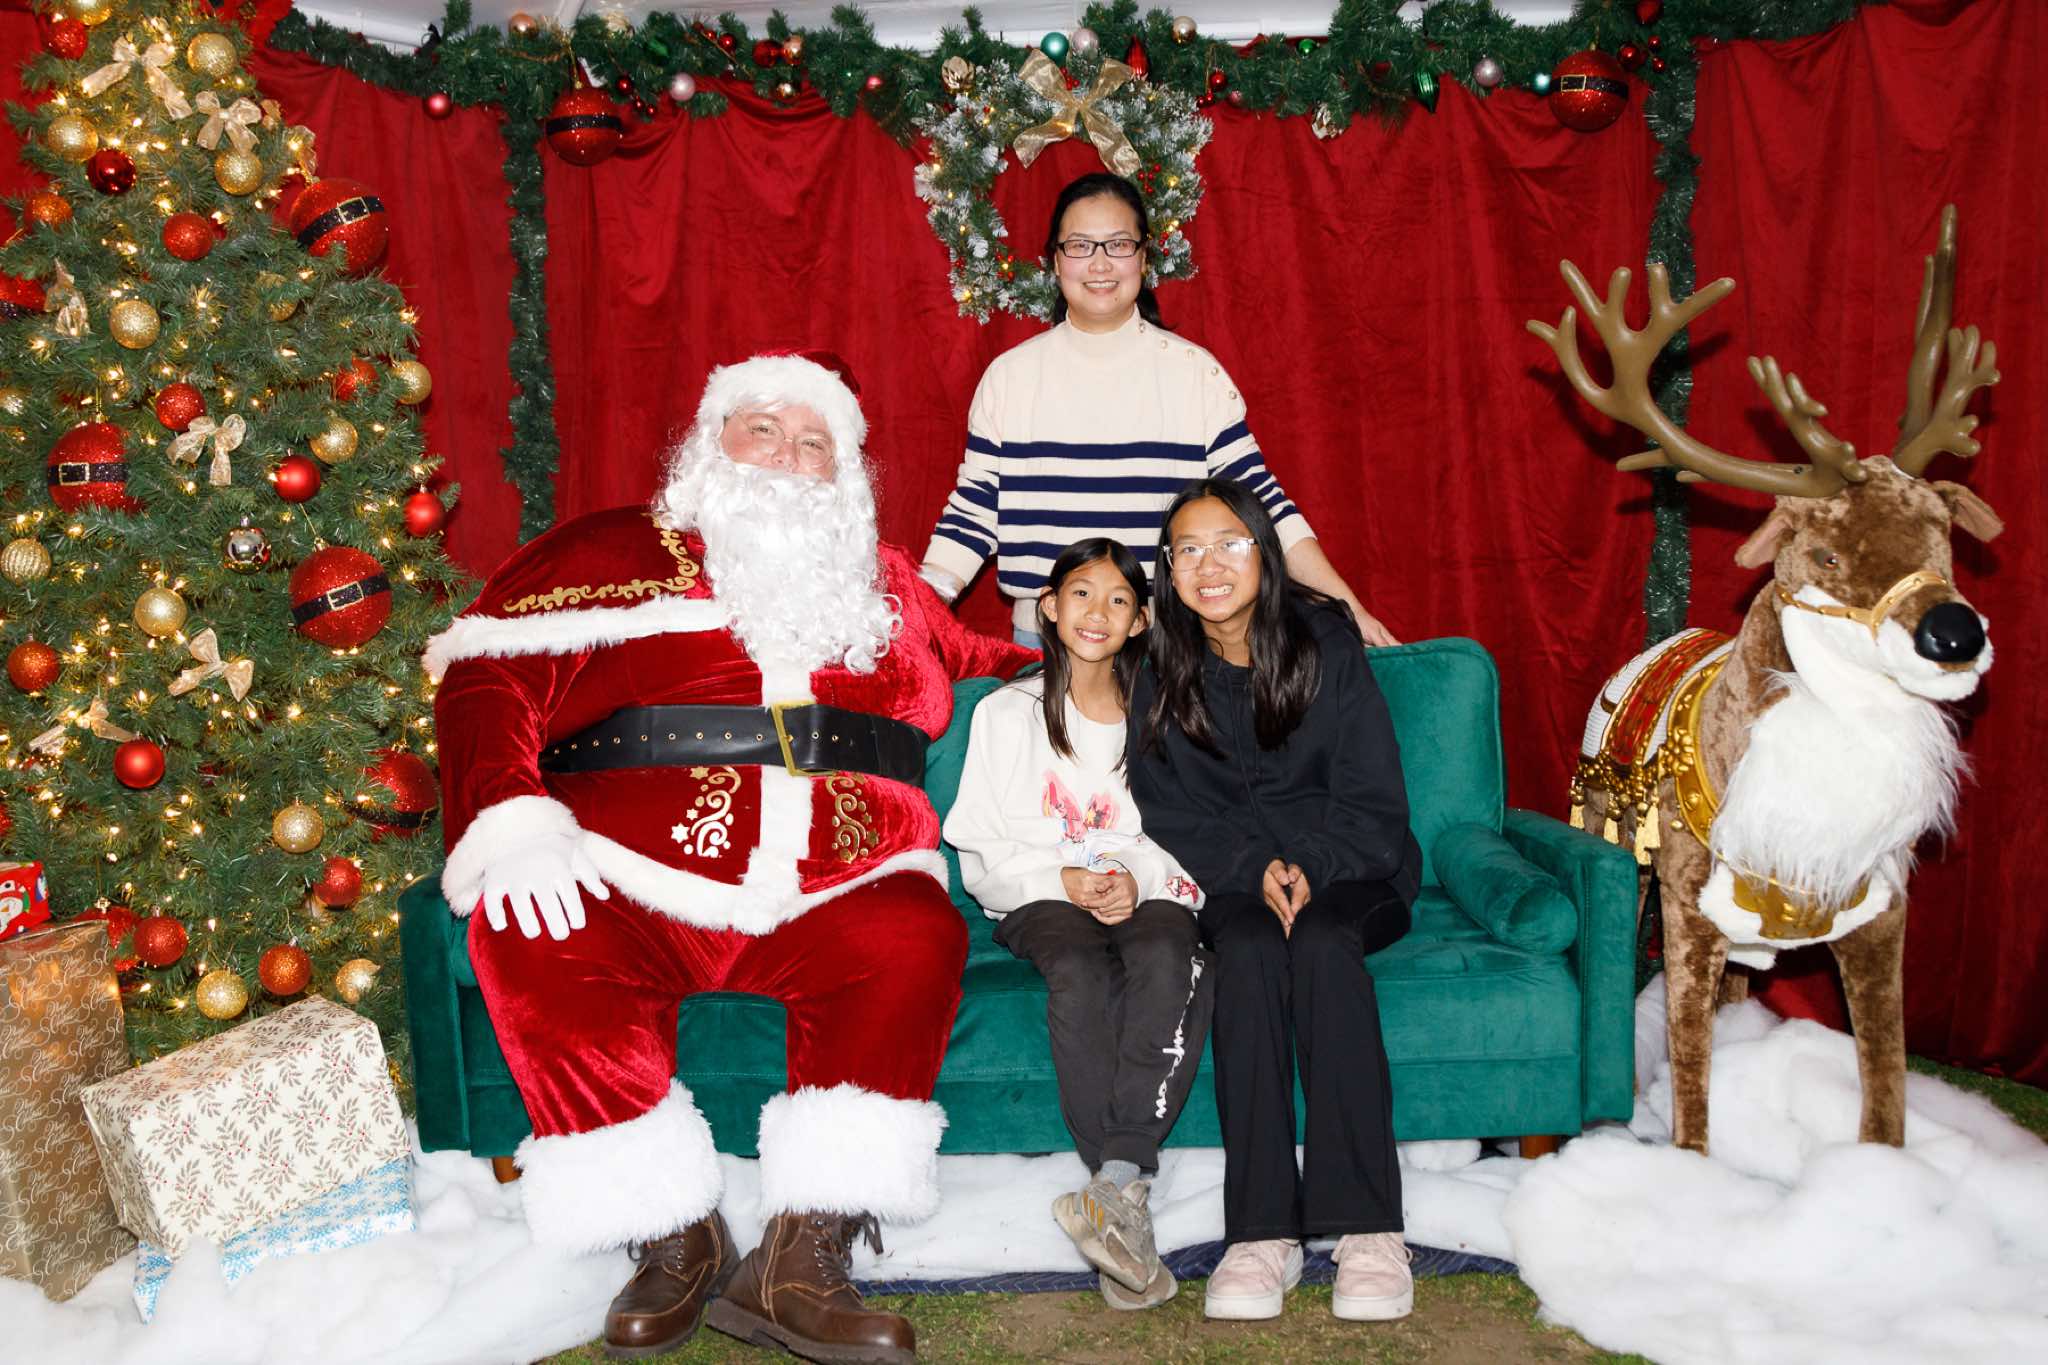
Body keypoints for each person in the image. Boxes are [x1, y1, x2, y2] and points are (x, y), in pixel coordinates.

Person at [427, 351, 1036, 1363]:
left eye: (815, 441)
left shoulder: (885, 584)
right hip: (631, 873)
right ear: (712, 441)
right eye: (765, 429)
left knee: (912, 934)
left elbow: (1005, 660)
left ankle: (801, 1255)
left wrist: (1148, 652)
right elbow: (487, 671)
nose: (790, 456)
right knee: (530, 928)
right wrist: (510, 818)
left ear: (845, 470)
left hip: (845, 882)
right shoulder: (609, 548)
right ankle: (673, 1233)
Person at [1126, 478, 1422, 1324]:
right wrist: (1253, 865)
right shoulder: (1160, 665)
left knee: (1324, 942)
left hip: (1356, 867)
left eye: (1230, 543)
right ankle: (1261, 1233)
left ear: (1264, 552)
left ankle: (1368, 1225)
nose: (1209, 565)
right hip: (1234, 878)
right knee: (1251, 950)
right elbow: (1164, 805)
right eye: (1188, 549)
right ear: (1169, 569)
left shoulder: (1326, 640)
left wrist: (1312, 863)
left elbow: (1373, 793)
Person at [919, 171, 1396, 649]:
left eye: (1119, 245)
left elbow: (1261, 506)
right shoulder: (1010, 377)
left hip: (1170, 644)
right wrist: (914, 622)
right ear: (1056, 261)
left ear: (1143, 258)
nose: (1100, 263)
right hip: (1047, 641)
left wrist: (1347, 607)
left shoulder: (1195, 374)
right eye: (1080, 246)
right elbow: (972, 514)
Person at [942, 538, 1212, 1311]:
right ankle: (1121, 1199)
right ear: (1050, 608)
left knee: (1176, 950)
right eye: (1082, 594)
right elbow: (980, 848)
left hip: (1141, 888)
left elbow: (1186, 835)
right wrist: (1058, 879)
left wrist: (1133, 876)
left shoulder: (1161, 716)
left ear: (1141, 621)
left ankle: (1115, 1187)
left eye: (1119, 599)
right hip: (1038, 896)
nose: (1099, 612)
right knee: (1080, 968)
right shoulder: (1006, 712)